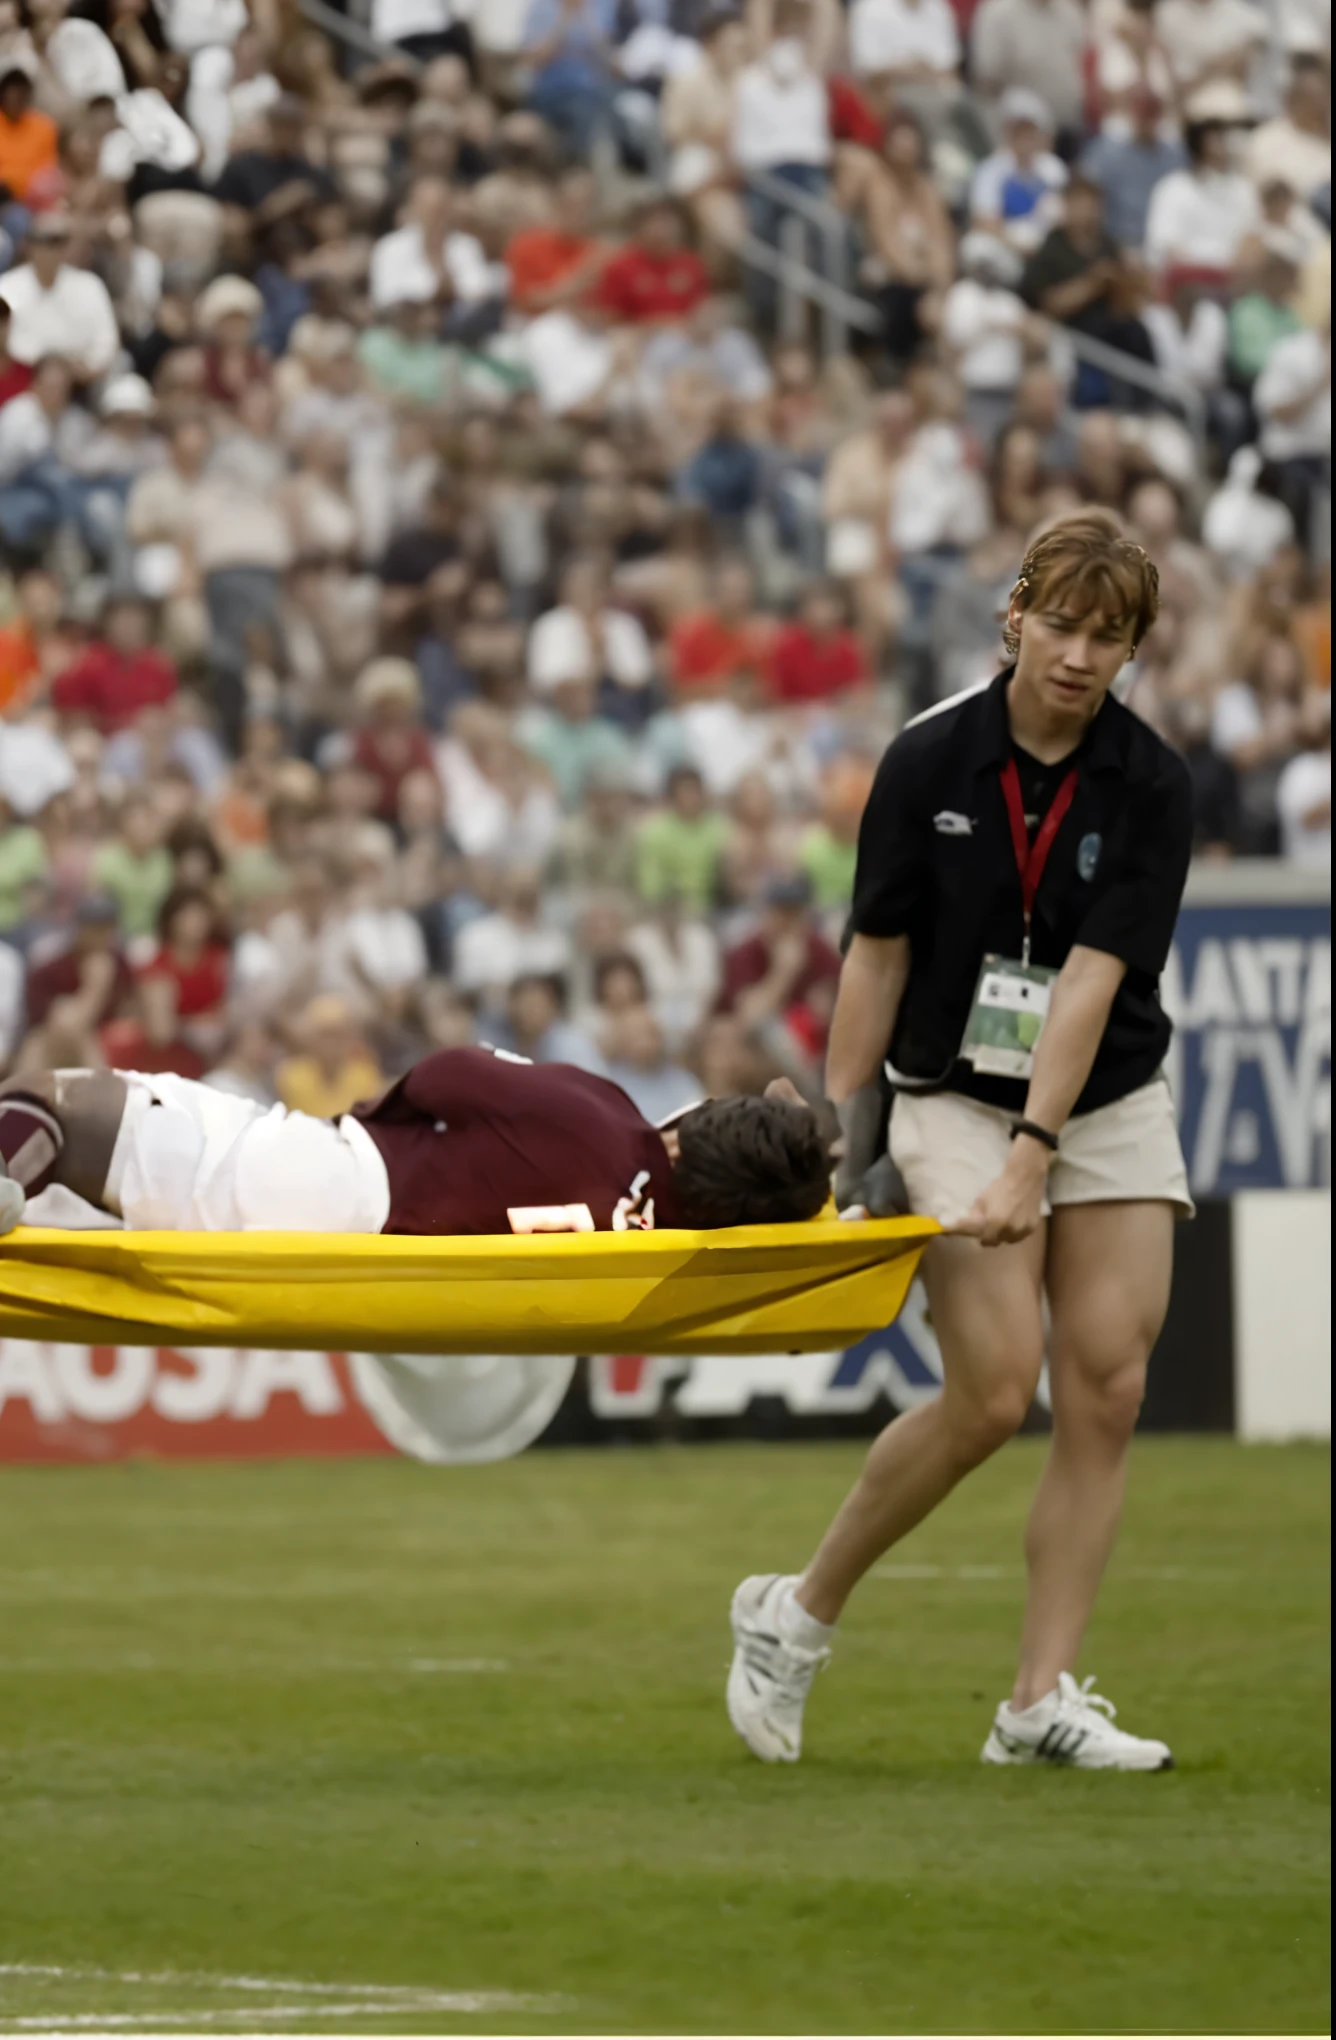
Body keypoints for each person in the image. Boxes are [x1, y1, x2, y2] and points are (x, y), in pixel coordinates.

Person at [725, 510, 1195, 1773]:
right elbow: (873, 952)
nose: (1081, 657)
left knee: (1106, 1384)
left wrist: (1036, 1154)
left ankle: (1036, 1702)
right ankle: (793, 1612)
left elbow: (1093, 982)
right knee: (993, 1392)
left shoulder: (1151, 784)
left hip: (1102, 1098)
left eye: (1110, 638)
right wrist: (838, 1129)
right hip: (948, 1092)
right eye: (1061, 626)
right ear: (1014, 618)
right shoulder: (928, 759)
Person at [0, 1046, 832, 1238]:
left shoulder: (600, 1117)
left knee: (50, 1101)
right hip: (384, 1253)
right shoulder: (699, 1236)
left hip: (333, 1183)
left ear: (687, 1143)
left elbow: (445, 1076)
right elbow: (795, 1186)